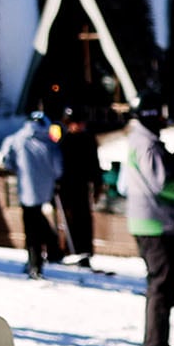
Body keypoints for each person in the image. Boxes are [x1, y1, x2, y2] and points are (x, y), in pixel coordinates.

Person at [121, 103, 174, 346]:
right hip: (154, 223)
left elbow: (125, 184)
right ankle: (155, 344)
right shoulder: (147, 145)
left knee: (166, 281)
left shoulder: (139, 142)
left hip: (150, 221)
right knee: (161, 283)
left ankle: (158, 340)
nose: (165, 118)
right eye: (161, 112)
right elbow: (161, 184)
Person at [0, 111, 64, 278]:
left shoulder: (17, 139)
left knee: (31, 226)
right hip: (45, 188)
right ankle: (49, 251)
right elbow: (58, 168)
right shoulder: (50, 142)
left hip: (26, 188)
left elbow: (8, 161)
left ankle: (35, 263)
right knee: (37, 221)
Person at [52, 103, 102, 267]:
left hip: (82, 185)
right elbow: (57, 164)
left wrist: (97, 184)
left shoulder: (88, 139)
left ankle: (85, 252)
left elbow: (94, 164)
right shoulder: (63, 141)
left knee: (84, 219)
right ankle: (70, 250)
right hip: (66, 186)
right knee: (69, 219)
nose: (76, 126)